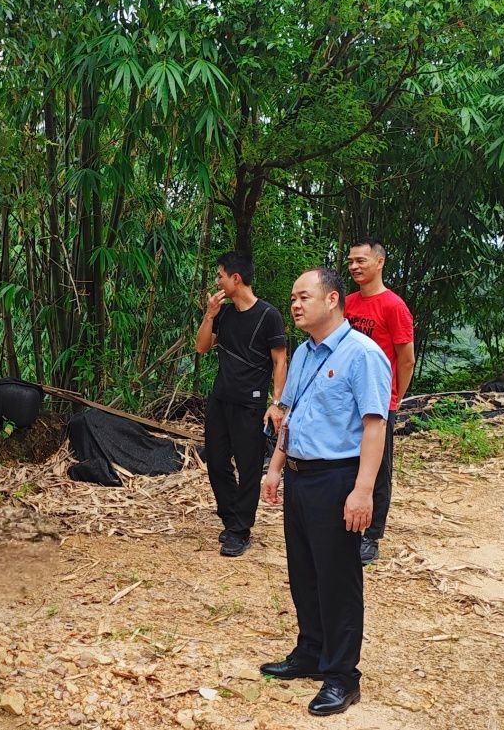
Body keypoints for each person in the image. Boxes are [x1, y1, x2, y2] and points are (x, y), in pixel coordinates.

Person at [259, 267, 391, 717]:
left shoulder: (363, 354)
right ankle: (311, 652)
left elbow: (375, 426)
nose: (295, 305)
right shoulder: (302, 353)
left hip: (337, 479)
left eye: (304, 297)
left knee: (337, 580)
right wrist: (275, 469)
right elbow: (289, 414)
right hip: (299, 477)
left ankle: (342, 676)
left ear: (332, 299)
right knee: (305, 572)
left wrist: (363, 491)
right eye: (293, 298)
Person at [194, 252, 288, 558]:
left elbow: (280, 360)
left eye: (220, 275)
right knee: (216, 461)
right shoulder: (223, 313)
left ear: (236, 278)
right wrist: (209, 315)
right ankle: (231, 517)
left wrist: (277, 403)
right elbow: (201, 347)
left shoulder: (268, 315)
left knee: (249, 467)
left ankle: (240, 529)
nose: (217, 281)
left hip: (251, 403)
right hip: (220, 399)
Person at [344, 238, 415, 564]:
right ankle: (346, 524)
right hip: (347, 400)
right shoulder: (347, 303)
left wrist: (394, 397)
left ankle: (371, 536)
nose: (354, 266)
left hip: (378, 402)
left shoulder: (394, 306)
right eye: (350, 261)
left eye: (361, 260)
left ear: (380, 262)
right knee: (346, 464)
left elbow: (406, 359)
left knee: (378, 469)